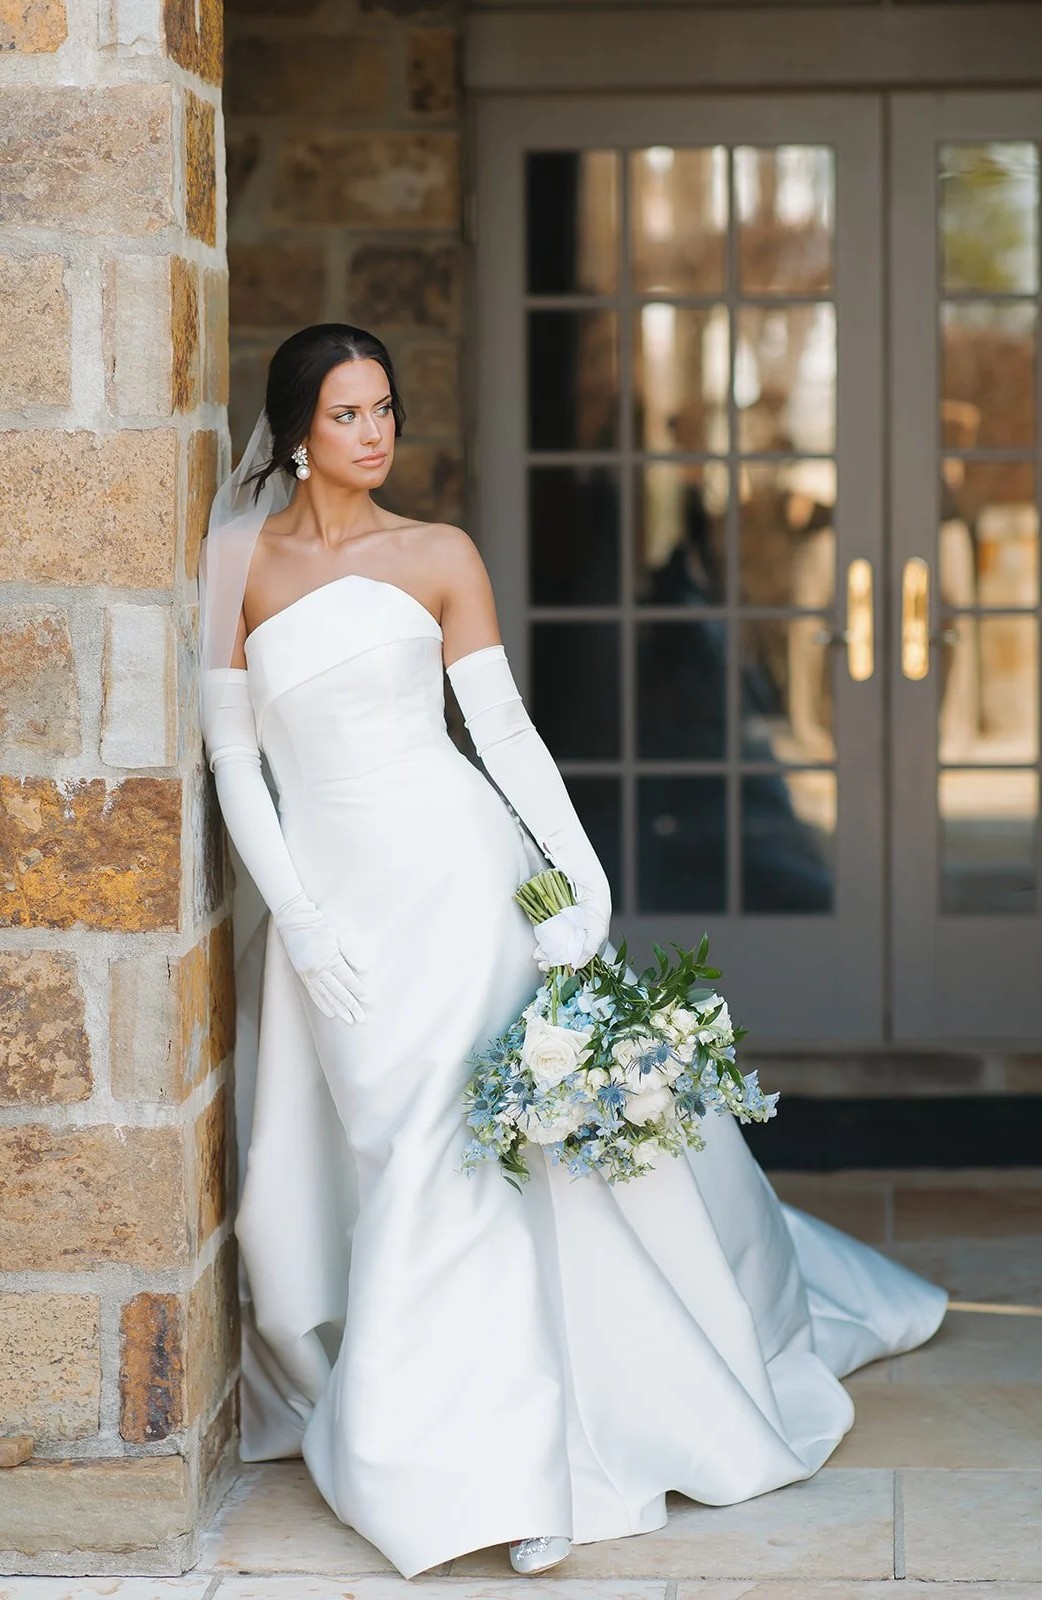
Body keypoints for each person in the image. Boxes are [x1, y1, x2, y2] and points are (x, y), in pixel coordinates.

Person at [198, 324, 947, 1581]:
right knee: (399, 1156)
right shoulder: (236, 565)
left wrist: (579, 872)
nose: (376, 434)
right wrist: (304, 918)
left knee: (479, 1165)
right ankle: (465, 1441)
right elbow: (233, 762)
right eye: (347, 415)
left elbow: (502, 729)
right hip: (341, 909)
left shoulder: (438, 553)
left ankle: (501, 1473)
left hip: (467, 880)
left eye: (385, 408)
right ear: (292, 432)